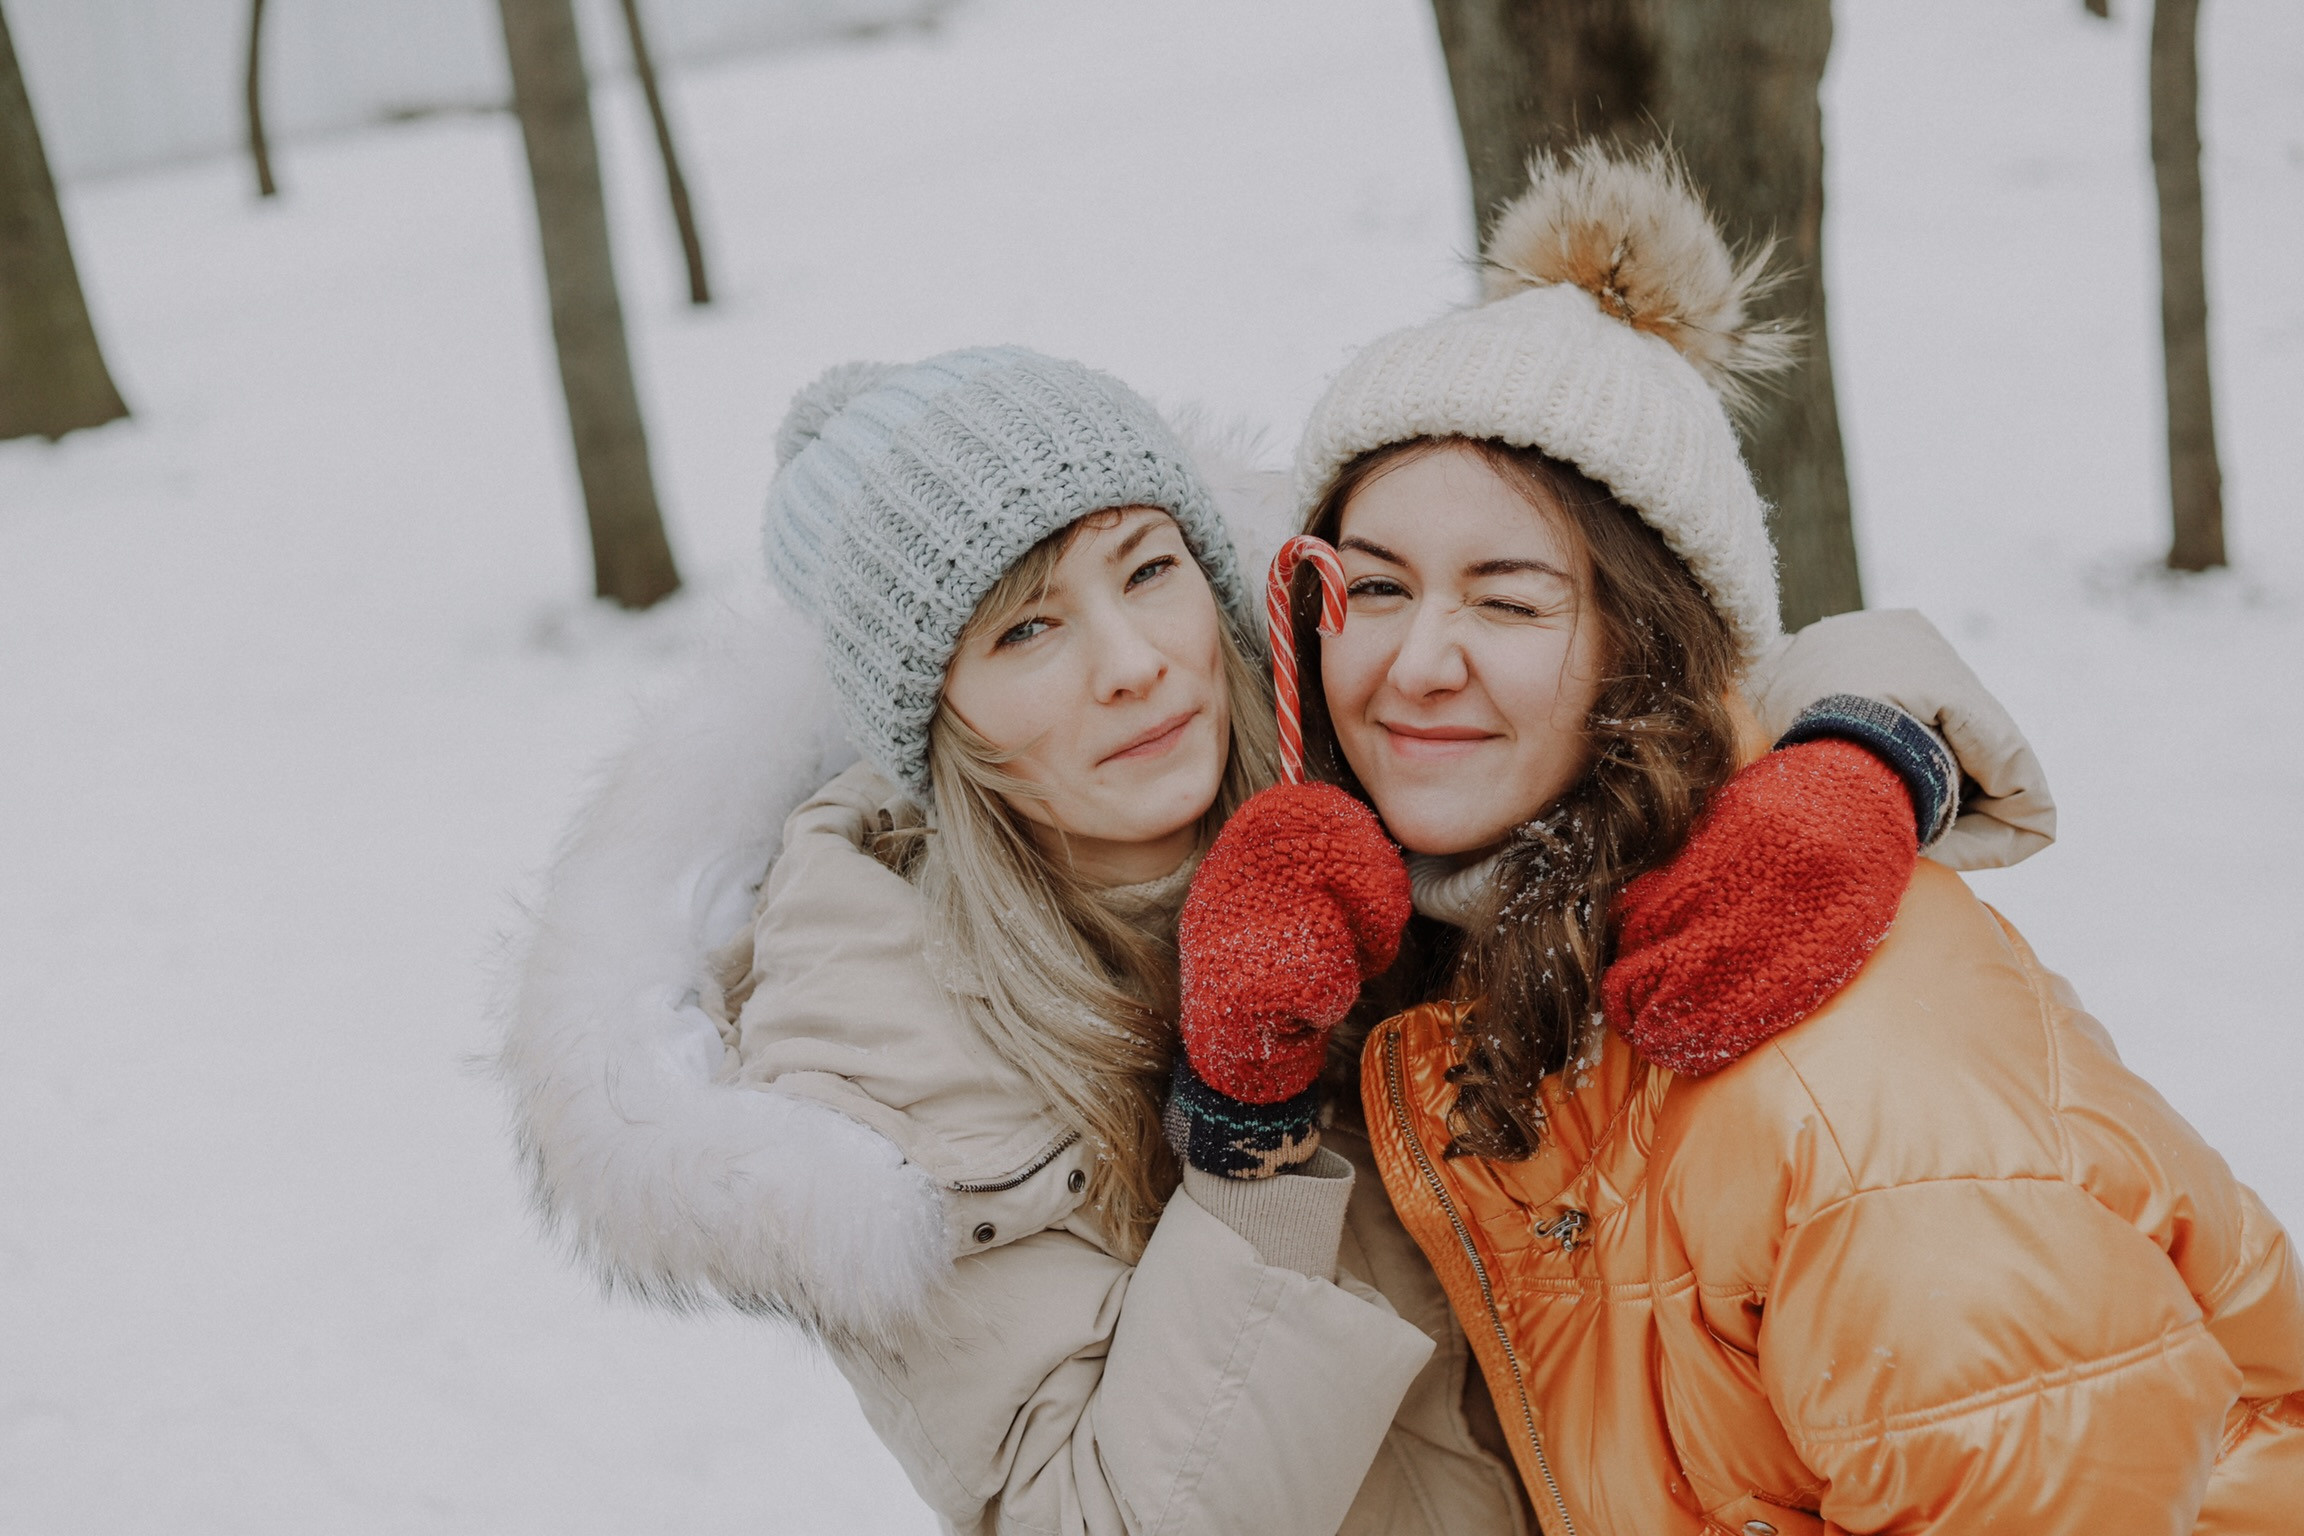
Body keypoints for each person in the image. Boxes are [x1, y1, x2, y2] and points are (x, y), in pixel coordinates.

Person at [496, 344, 2056, 1535]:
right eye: (1025, 629)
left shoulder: (1336, 736)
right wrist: (1246, 1142)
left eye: (1146, 569)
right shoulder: (880, 1028)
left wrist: (1852, 748)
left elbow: (1608, 657)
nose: (1130, 665)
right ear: (936, 717)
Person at [1176, 145, 2304, 1534]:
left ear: (1649, 645)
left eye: (1510, 601)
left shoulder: (1835, 1076)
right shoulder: (1490, 967)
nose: (1417, 663)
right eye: (1380, 588)